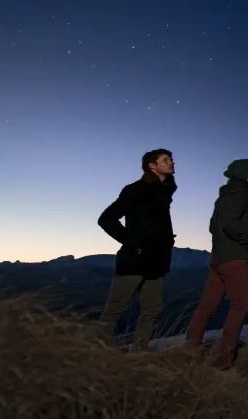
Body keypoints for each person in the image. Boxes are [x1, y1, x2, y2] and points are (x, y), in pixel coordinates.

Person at [97, 148, 178, 350]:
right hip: (134, 260)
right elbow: (106, 219)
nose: (172, 163)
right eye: (166, 160)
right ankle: (97, 352)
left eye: (171, 159)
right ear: (152, 166)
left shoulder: (164, 191)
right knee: (115, 309)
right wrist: (134, 242)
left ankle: (140, 352)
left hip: (157, 262)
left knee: (152, 309)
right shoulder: (135, 189)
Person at [184, 159, 248, 370]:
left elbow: (212, 226)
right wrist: (246, 240)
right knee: (241, 306)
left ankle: (189, 353)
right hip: (234, 259)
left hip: (218, 259)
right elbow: (229, 223)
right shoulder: (241, 194)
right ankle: (224, 363)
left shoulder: (225, 195)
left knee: (206, 307)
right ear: (243, 172)